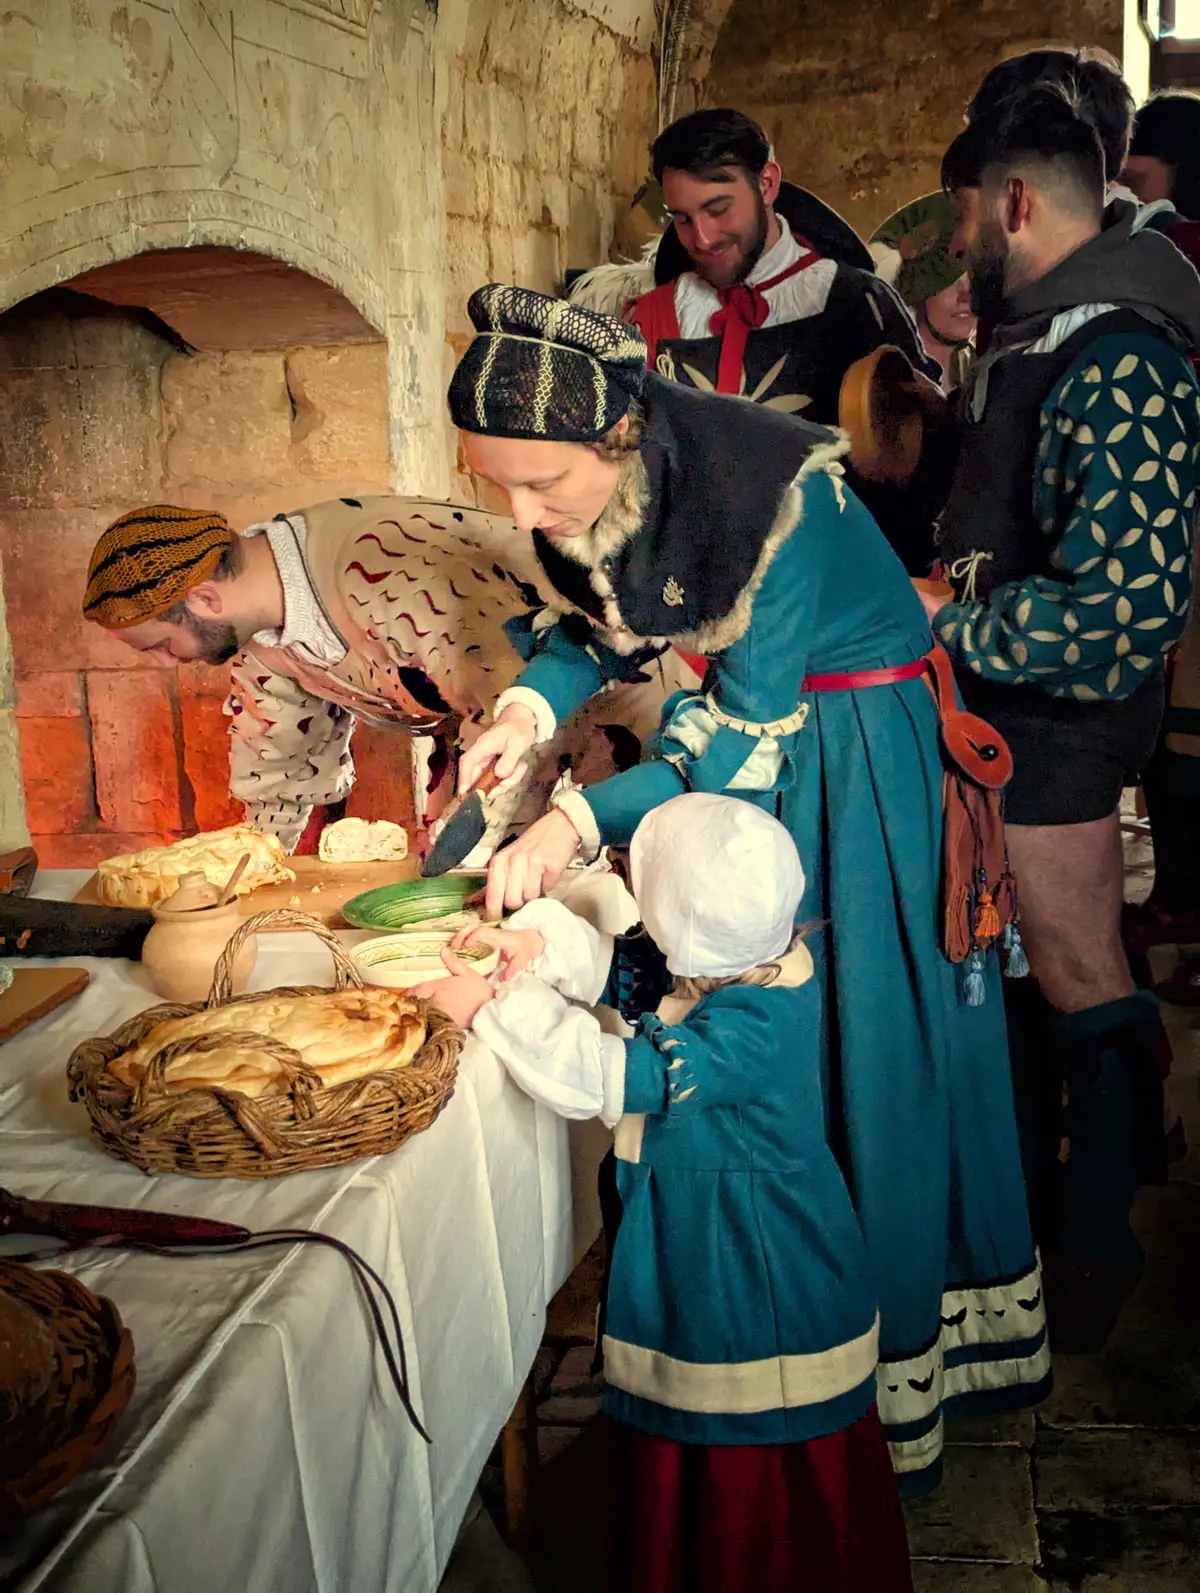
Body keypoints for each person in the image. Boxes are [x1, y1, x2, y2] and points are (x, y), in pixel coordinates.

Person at [444, 283, 1050, 1496]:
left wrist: (573, 822)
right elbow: (600, 620)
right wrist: (523, 713)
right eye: (496, 485)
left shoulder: (771, 499)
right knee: (758, 1016)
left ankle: (856, 1363)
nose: (524, 513)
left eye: (542, 486)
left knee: (846, 1037)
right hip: (770, 751)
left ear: (618, 436)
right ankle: (760, 1323)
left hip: (857, 758)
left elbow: (733, 730)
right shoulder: (611, 474)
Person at [415, 794, 914, 1592]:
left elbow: (612, 1074)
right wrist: (531, 948)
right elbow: (630, 970)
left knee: (742, 1429)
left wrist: (493, 1007)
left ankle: (741, 1563)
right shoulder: (740, 963)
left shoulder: (755, 1026)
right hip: (719, 1245)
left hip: (753, 1273)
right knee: (698, 1411)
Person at [930, 88, 1200, 1350]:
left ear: (1017, 203)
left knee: (1083, 974)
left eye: (965, 215)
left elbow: (1123, 618)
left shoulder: (1126, 354)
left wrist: (948, 621)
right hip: (1006, 718)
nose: (957, 240)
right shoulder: (1038, 331)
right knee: (1031, 980)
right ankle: (1043, 1231)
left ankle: (1099, 1248)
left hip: (1063, 727)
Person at [81, 500, 688, 856]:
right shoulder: (257, 634)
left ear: (207, 599)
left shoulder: (379, 562)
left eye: (160, 643)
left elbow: (511, 723)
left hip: (615, 710)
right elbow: (280, 767)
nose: (163, 663)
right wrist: (255, 874)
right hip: (495, 726)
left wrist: (468, 865)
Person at [869, 191, 977, 391]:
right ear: (919, 295)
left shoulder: (986, 372)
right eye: (949, 284)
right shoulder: (883, 382)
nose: (966, 298)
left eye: (974, 281)